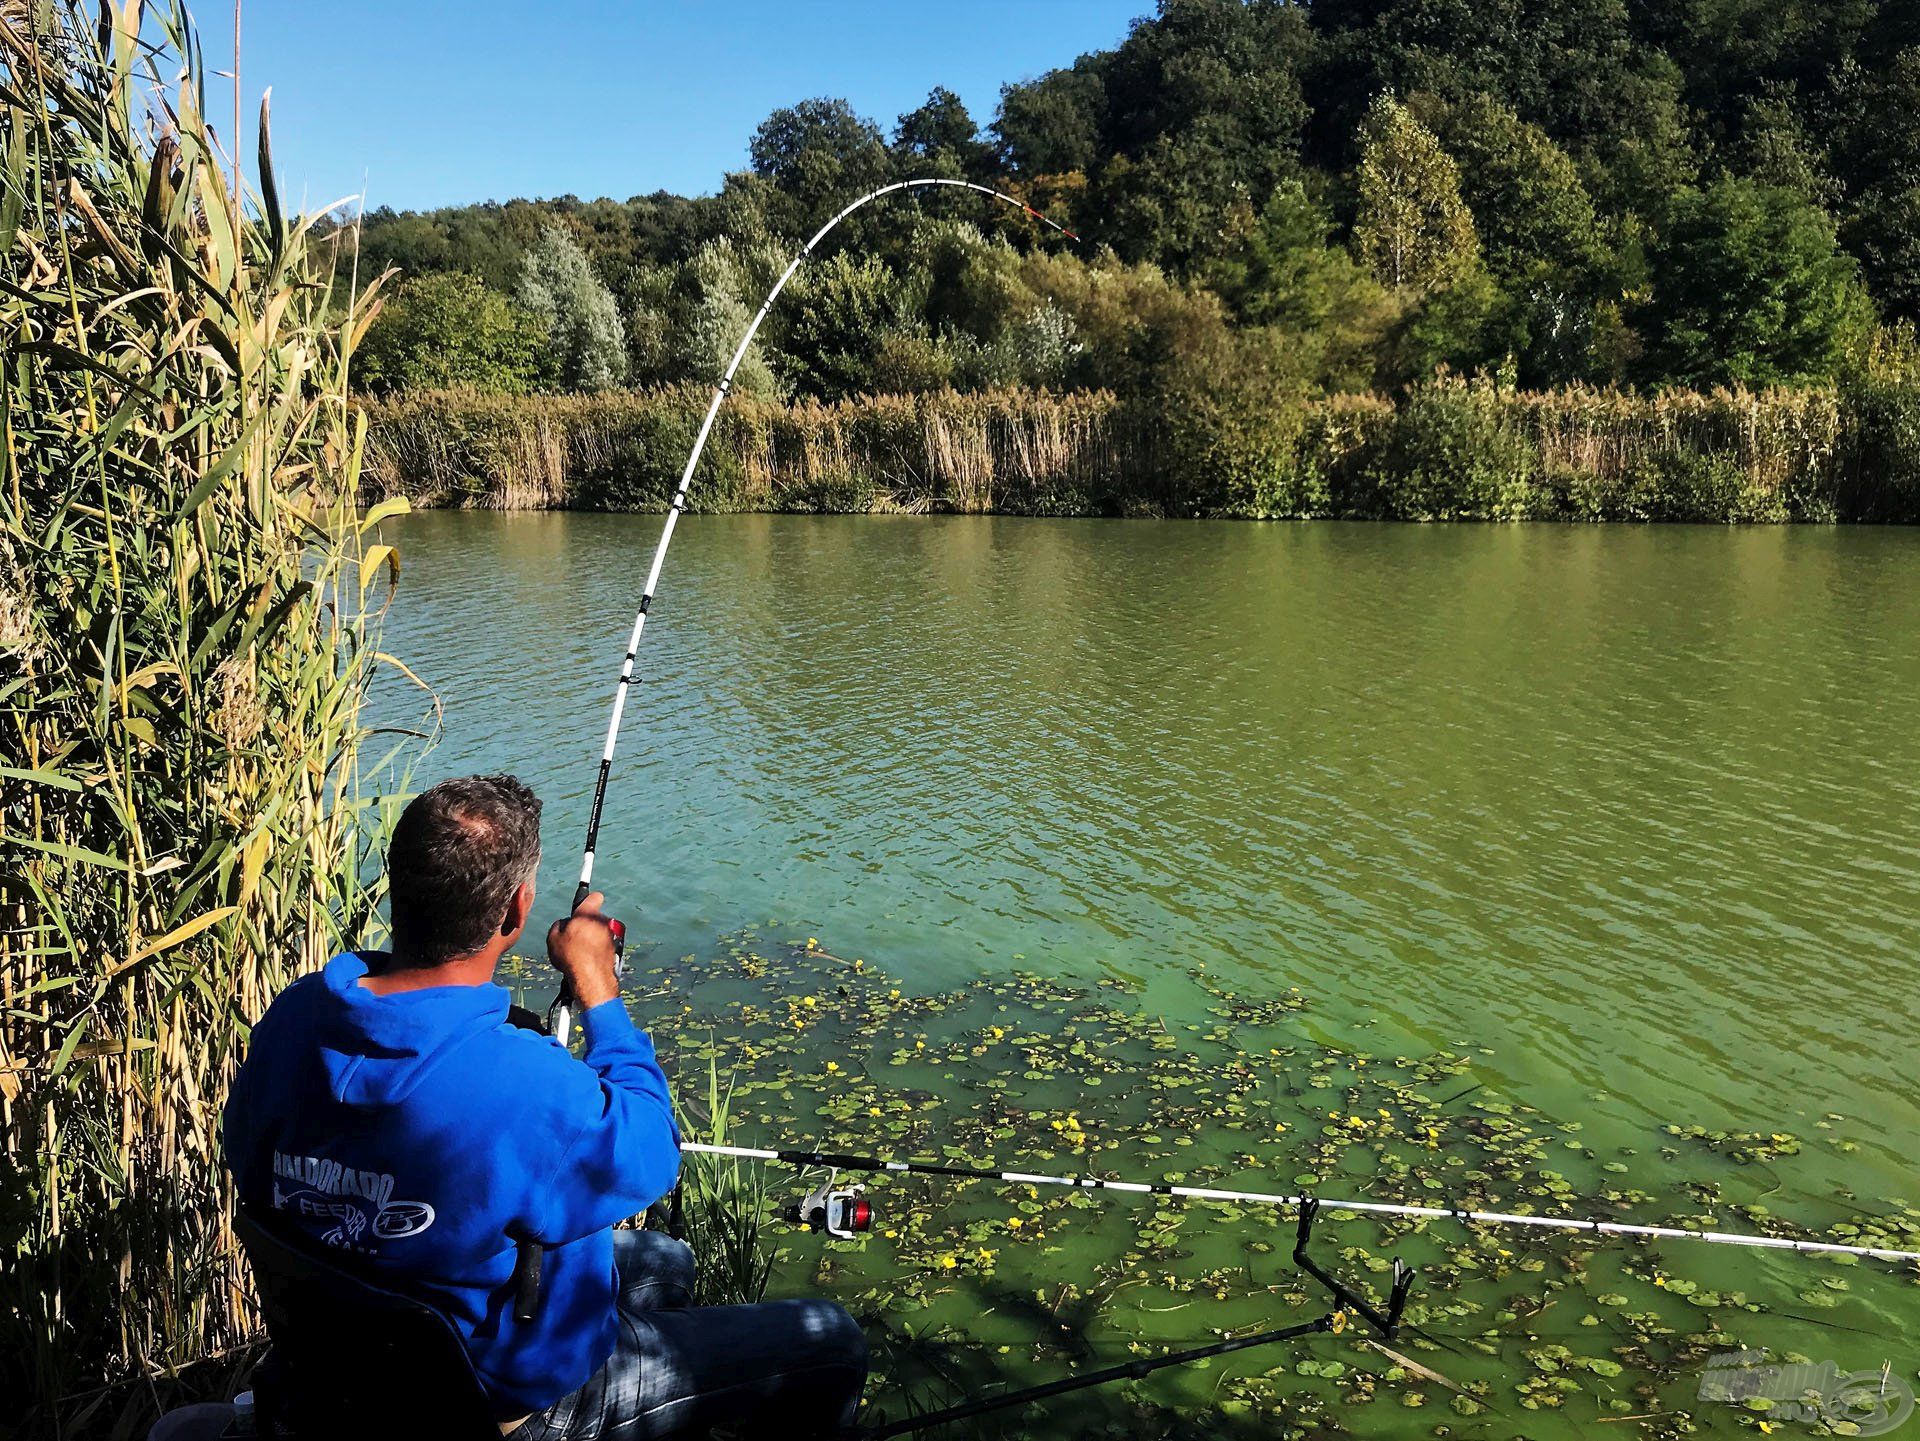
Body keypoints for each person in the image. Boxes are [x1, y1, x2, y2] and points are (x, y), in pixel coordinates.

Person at [223, 774, 867, 1438]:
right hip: (503, 1408)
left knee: (668, 1260)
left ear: (397, 886)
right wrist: (597, 982)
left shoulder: (294, 1018)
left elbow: (245, 1157)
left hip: (346, 1366)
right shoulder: (522, 1082)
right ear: (515, 911)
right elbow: (651, 1150)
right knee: (835, 1342)